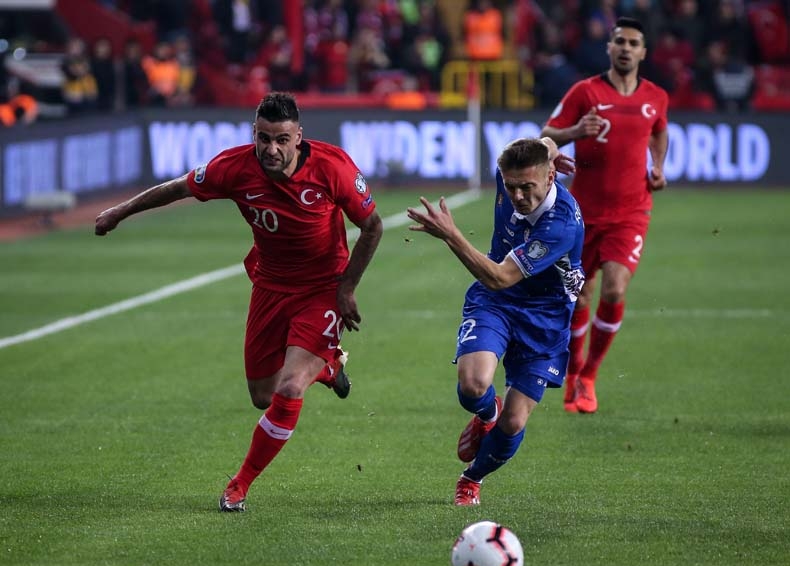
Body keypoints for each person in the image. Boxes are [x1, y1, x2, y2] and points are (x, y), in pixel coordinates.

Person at [95, 92, 384, 512]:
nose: (272, 149)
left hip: (322, 288)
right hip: (269, 286)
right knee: (262, 396)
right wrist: (120, 211)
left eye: (282, 139)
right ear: (254, 134)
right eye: (263, 138)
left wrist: (346, 288)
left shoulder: (332, 167)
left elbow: (372, 227)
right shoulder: (234, 167)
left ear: (298, 137)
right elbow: (179, 187)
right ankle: (327, 366)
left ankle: (240, 483)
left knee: (288, 388)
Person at [406, 137, 584, 506]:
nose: (517, 195)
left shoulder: (560, 224)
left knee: (516, 422)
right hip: (498, 304)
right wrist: (554, 145)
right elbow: (545, 140)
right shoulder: (528, 170)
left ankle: (472, 478)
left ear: (551, 178)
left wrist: (452, 235)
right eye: (511, 186)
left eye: (527, 187)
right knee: (473, 384)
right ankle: (488, 411)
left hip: (545, 316)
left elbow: (500, 275)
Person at [540, 16, 669, 414]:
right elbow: (547, 131)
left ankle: (590, 376)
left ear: (643, 52)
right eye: (620, 42)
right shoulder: (586, 91)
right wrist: (577, 130)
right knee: (579, 298)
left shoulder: (656, 97)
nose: (626, 48)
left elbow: (659, 130)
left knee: (614, 289)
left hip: (631, 212)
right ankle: (573, 372)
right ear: (609, 48)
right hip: (583, 214)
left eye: (634, 42)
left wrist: (658, 165)